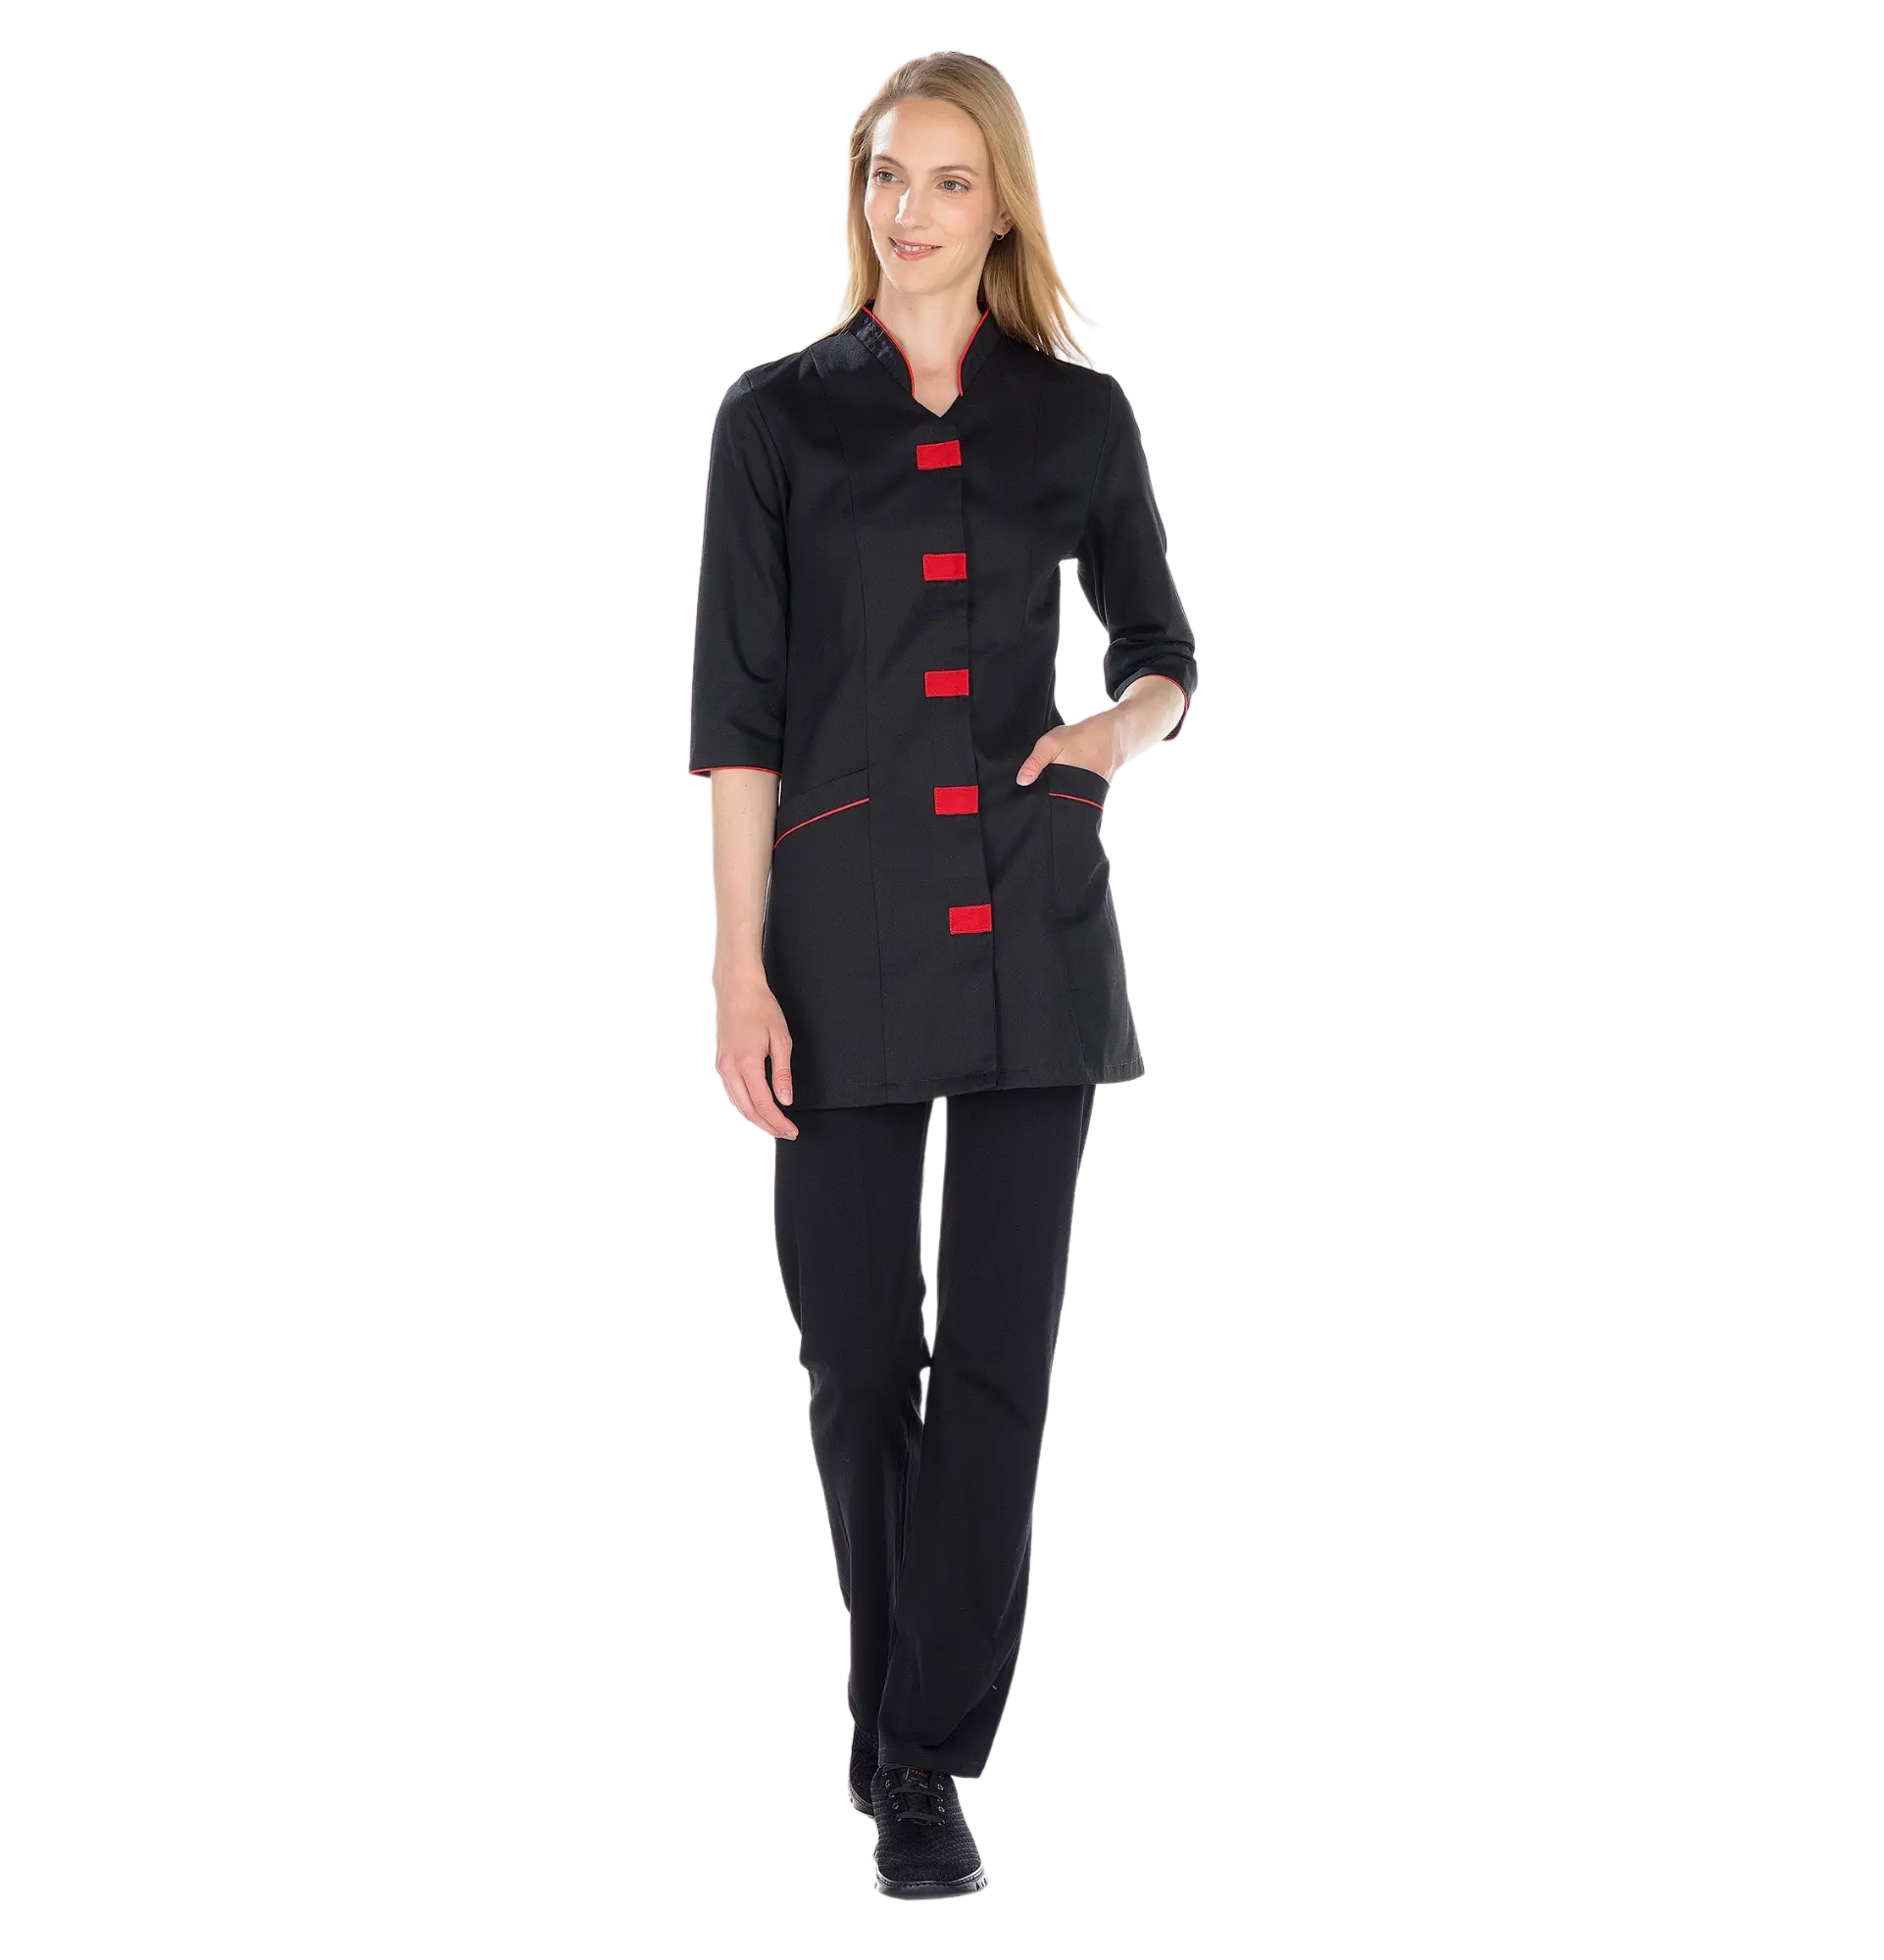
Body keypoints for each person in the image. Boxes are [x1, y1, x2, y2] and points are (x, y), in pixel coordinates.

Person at [685, 49, 1197, 1903]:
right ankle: (898, 1738)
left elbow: (1160, 644)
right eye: (886, 175)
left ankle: (919, 1768)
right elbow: (737, 720)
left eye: (950, 181)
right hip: (834, 939)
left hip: (1032, 932)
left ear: (1004, 208)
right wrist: (736, 968)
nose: (910, 210)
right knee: (853, 1361)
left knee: (995, 1365)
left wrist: (1107, 738)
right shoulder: (773, 420)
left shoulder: (1078, 415)